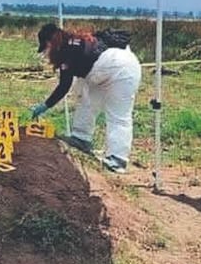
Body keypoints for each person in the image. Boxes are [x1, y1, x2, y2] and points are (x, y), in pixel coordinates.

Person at [29, 24, 141, 173]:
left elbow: (64, 86)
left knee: (118, 114)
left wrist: (45, 105)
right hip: (102, 70)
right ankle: (81, 138)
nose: (47, 52)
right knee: (85, 98)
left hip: (122, 70)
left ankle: (118, 159)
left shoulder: (66, 50)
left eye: (46, 47)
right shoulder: (74, 41)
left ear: (50, 42)